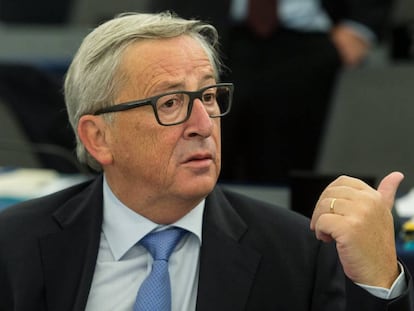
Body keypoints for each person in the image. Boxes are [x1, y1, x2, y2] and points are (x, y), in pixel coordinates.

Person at [0, 12, 412, 311]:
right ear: (98, 137)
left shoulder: (298, 255)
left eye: (210, 97)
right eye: (171, 102)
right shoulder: (15, 245)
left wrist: (379, 284)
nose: (203, 124)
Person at [150, 0, 393, 184]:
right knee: (203, 156)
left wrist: (360, 28)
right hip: (212, 32)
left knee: (292, 171)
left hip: (311, 45)